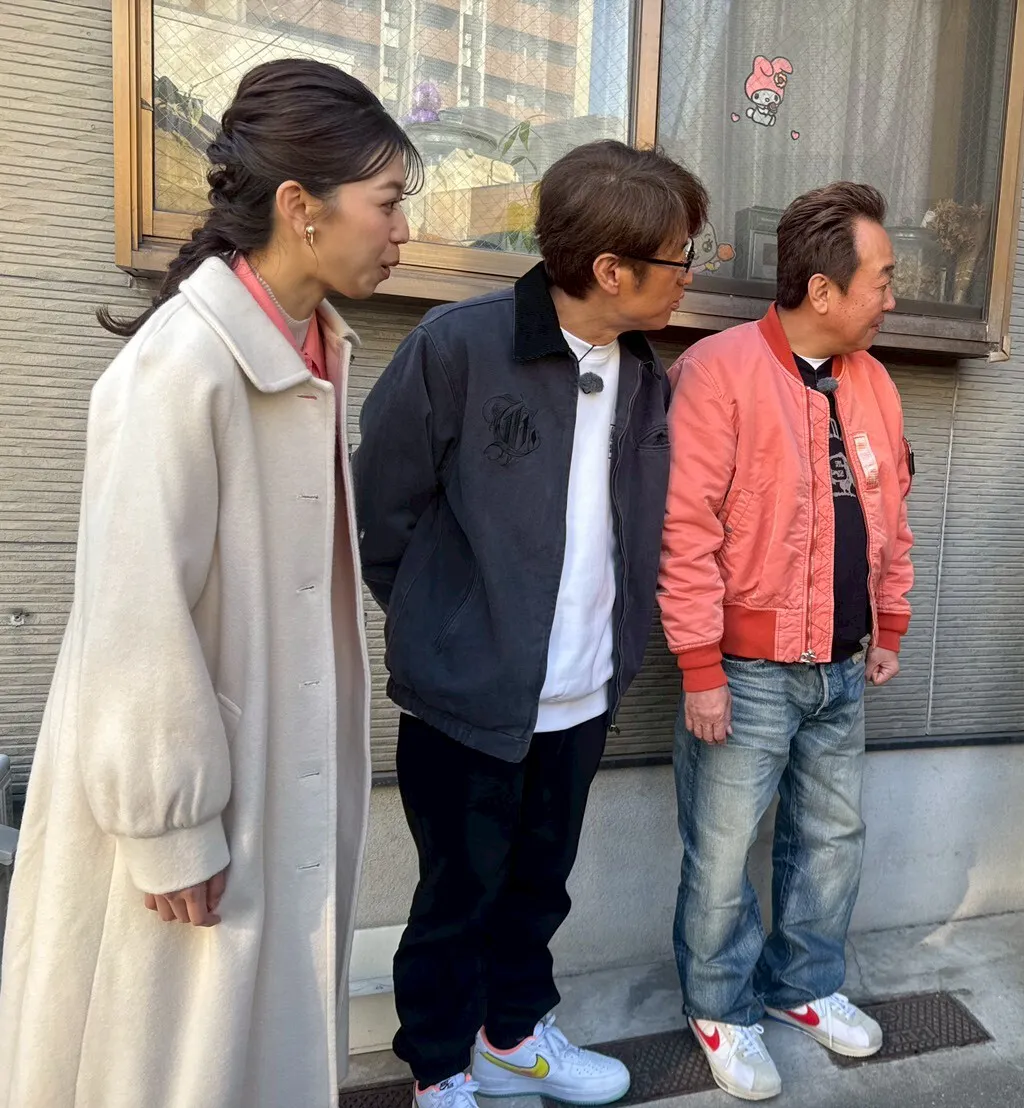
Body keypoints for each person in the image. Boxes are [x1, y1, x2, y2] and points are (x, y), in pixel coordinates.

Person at [0, 59, 417, 1108]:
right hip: (201, 801)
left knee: (243, 1043)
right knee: (174, 1055)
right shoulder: (182, 366)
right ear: (302, 207)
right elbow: (130, 617)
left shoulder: (306, 346)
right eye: (387, 202)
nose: (404, 231)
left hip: (270, 775)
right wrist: (170, 826)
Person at [353, 139, 708, 1108]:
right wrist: (446, 631)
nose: (690, 274)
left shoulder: (643, 373)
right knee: (454, 897)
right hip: (465, 698)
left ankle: (510, 1035)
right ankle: (437, 1071)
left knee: (539, 884)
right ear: (611, 269)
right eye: (681, 257)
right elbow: (378, 512)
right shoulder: (459, 347)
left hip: (582, 690)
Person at [658, 181, 916, 1101]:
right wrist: (699, 665)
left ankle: (803, 986)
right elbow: (683, 530)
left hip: (842, 663)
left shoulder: (871, 381)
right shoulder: (718, 372)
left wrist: (888, 622)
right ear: (821, 289)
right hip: (745, 671)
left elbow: (892, 515)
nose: (893, 298)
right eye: (882, 280)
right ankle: (719, 1007)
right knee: (722, 849)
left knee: (831, 839)